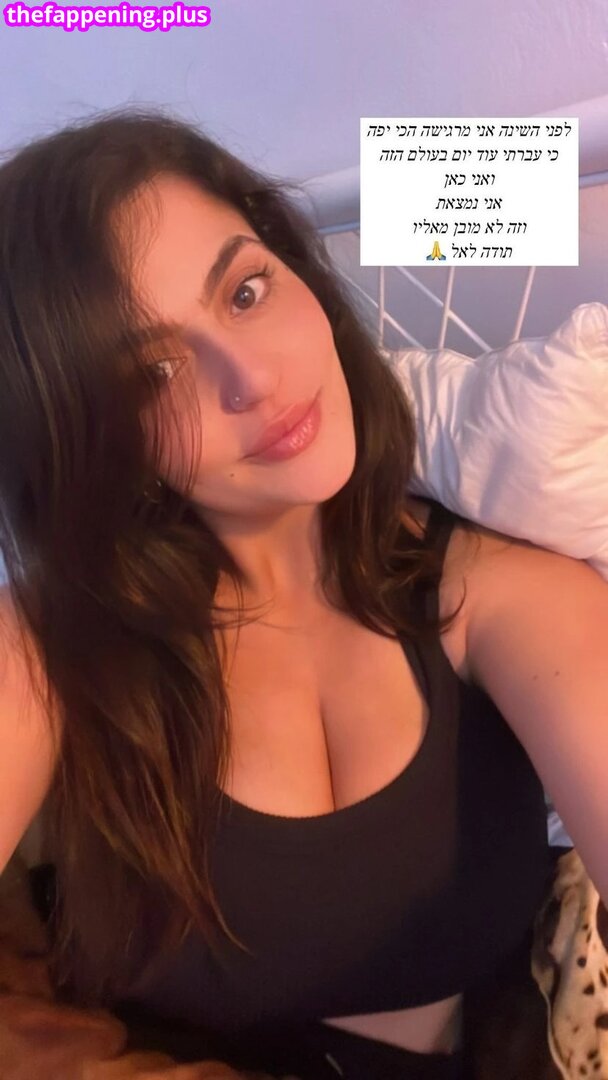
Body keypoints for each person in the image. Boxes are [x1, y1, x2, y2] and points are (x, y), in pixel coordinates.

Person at [0, 107, 605, 1080]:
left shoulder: (507, 597)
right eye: (151, 373)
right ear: (90, 435)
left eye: (245, 290)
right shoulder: (49, 642)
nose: (253, 378)